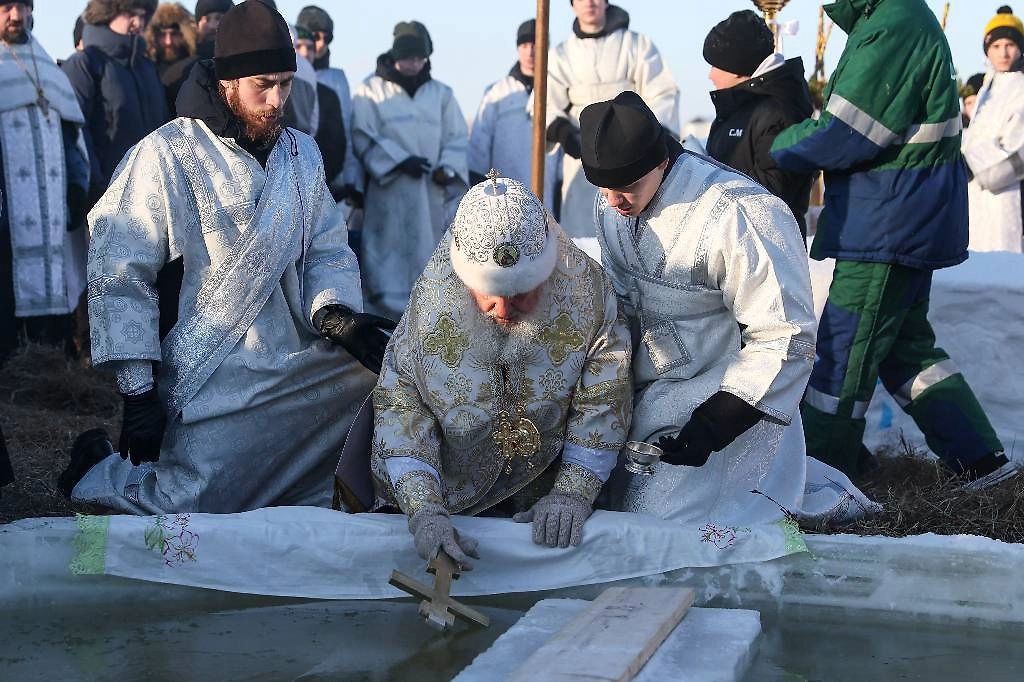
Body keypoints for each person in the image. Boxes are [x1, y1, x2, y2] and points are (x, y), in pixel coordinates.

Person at [59, 0, 392, 514]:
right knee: (192, 509)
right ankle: (99, 469)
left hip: (297, 357)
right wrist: (138, 390)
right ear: (227, 82)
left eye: (286, 84)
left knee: (386, 377)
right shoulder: (168, 154)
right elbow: (120, 272)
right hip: (213, 376)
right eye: (264, 85)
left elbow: (328, 248)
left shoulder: (302, 154)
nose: (277, 100)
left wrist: (336, 315)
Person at [581, 92, 869, 527]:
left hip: (721, 395)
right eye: (604, 189)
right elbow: (620, 301)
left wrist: (719, 421)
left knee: (662, 526)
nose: (614, 202)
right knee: (599, 500)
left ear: (660, 162)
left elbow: (786, 336)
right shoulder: (613, 203)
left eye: (626, 188)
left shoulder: (739, 212)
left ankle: (824, 494)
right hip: (647, 392)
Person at [771, 0, 1015, 488]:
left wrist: (778, 146)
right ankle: (980, 461)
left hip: (885, 221)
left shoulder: (892, 26)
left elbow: (847, 131)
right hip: (897, 215)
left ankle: (819, 480)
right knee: (907, 351)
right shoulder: (889, 20)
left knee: (844, 352)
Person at [370, 174, 632, 565]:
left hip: (547, 491)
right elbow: (402, 403)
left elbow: (605, 395)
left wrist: (572, 492)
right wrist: (424, 510)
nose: (505, 311)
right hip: (449, 489)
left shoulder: (586, 291)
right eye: (489, 296)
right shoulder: (434, 301)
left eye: (523, 293)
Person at [351, 28, 469, 319]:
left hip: (429, 194)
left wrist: (447, 168)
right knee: (385, 261)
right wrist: (399, 160)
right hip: (388, 194)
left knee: (428, 257)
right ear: (394, 58)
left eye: (417, 58)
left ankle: (429, 321)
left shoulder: (441, 94)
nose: (411, 64)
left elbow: (456, 137)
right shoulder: (370, 91)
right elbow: (362, 134)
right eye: (406, 58)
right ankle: (383, 325)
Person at [0, 0, 90, 364]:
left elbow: (72, 140)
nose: (17, 16)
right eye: (6, 6)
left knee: (54, 278)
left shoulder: (51, 73)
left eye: (23, 6)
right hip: (6, 215)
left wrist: (75, 191)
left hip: (50, 211)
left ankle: (50, 359)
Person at [544, 0, 678, 237]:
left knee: (637, 227)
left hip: (631, 150)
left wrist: (649, 135)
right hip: (583, 155)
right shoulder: (561, 54)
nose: (590, 3)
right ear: (573, 5)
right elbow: (543, 103)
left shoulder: (636, 45)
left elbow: (662, 92)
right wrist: (564, 133)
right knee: (583, 232)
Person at [703, 10, 814, 241]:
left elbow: (776, 189)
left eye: (716, 65)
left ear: (736, 67)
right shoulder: (736, 109)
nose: (710, 75)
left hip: (770, 248)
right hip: (737, 242)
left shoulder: (777, 111)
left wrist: (710, 176)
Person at [62, 0, 168, 207]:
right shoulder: (83, 64)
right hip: (105, 197)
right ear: (107, 13)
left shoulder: (147, 67)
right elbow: (75, 132)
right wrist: (95, 187)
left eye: (143, 15)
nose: (138, 22)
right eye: (131, 14)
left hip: (153, 195)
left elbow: (162, 128)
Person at [468, 19, 562, 215]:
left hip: (548, 197)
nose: (530, 52)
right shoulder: (498, 93)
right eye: (524, 45)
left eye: (535, 45)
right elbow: (479, 147)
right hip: (504, 197)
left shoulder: (557, 90)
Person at [962, 6, 1024, 253]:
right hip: (976, 196)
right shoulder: (987, 86)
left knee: (1004, 266)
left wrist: (969, 164)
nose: (1003, 53)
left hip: (1006, 192)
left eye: (1009, 44)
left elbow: (1016, 145)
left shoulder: (1021, 86)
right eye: (996, 46)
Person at [296, 5, 362, 210]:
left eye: (327, 38)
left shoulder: (336, 80)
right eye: (316, 37)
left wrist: (350, 179)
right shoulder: (285, 78)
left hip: (330, 176)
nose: (320, 44)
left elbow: (345, 132)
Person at [294, 24, 345, 196]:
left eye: (310, 48)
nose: (305, 53)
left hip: (318, 183)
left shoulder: (328, 95)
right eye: (298, 46)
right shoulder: (278, 88)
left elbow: (337, 144)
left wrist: (320, 179)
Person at [160, 0, 233, 113]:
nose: (213, 26)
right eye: (206, 19)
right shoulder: (176, 74)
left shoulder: (244, 68)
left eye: (219, 18)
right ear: (197, 25)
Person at [144, 3, 197, 110]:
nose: (168, 42)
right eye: (162, 35)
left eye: (174, 34)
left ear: (185, 35)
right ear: (153, 36)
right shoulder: (146, 69)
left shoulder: (196, 67)